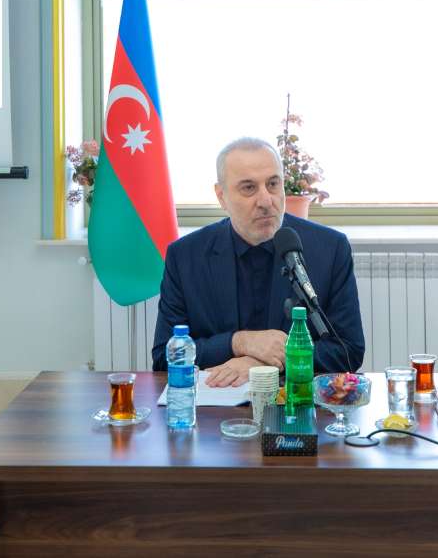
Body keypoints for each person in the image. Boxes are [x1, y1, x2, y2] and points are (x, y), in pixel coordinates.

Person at [151, 137, 365, 387]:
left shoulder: (329, 249)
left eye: (273, 184)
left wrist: (266, 363)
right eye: (249, 188)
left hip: (295, 401)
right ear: (221, 197)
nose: (266, 201)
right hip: (215, 402)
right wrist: (238, 342)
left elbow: (348, 351)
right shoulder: (186, 256)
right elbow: (164, 357)